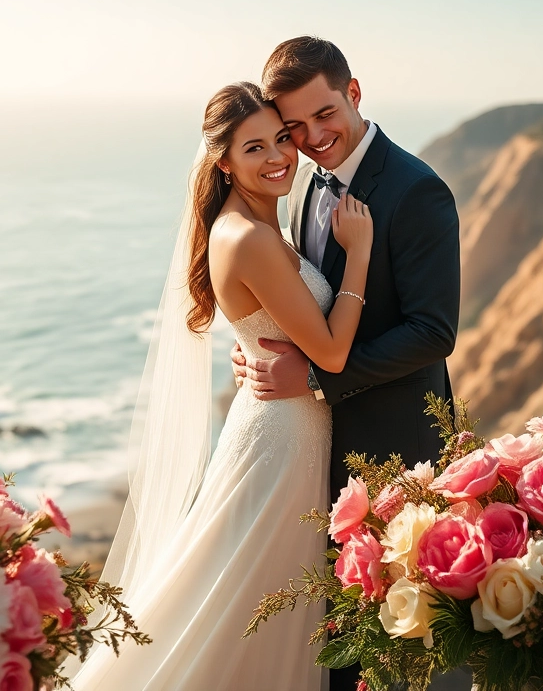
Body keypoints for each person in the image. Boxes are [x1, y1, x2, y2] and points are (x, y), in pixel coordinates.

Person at [69, 81, 372, 690]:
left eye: (281, 139)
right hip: (280, 441)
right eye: (254, 148)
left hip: (286, 425)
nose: (279, 156)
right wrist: (358, 252)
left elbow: (270, 320)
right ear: (223, 161)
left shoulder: (259, 221)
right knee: (246, 604)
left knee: (252, 601)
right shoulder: (250, 237)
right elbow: (333, 352)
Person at [231, 36, 462, 691]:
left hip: (395, 447)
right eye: (293, 126)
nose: (311, 136)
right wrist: (261, 339)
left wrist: (312, 376)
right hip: (318, 450)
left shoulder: (418, 191)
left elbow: (432, 331)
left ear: (354, 93)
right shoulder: (305, 182)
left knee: (393, 644)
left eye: (325, 115)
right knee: (332, 635)